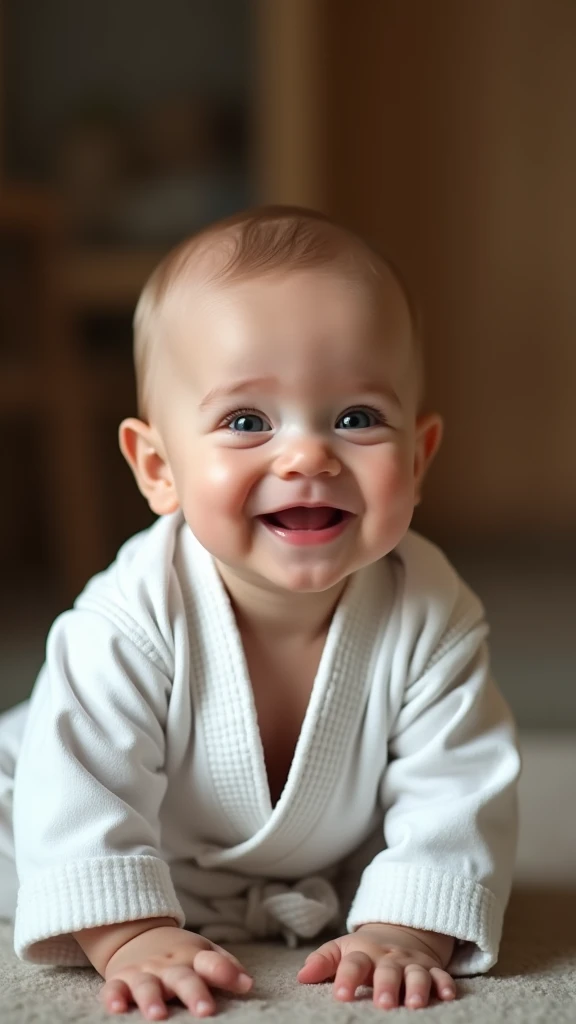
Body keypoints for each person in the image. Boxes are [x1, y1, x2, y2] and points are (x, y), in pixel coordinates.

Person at [0, 206, 520, 1018]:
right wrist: (128, 932)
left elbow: (457, 786)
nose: (308, 454)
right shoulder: (130, 617)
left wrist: (407, 924)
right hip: (46, 800)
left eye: (357, 418)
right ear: (159, 468)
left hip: (292, 860)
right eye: (247, 422)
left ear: (417, 461)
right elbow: (80, 781)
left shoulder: (431, 612)